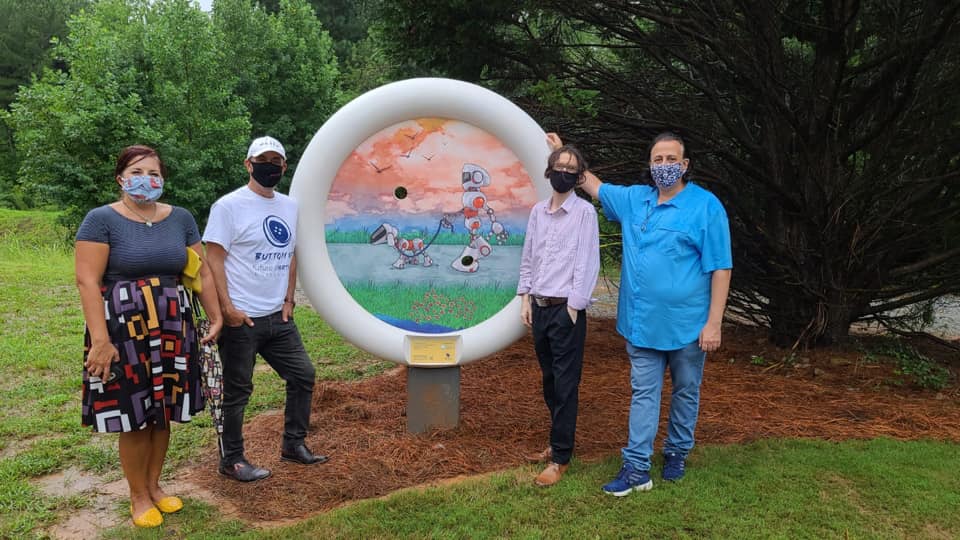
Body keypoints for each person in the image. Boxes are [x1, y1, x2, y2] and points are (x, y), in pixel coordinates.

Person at [547, 131, 732, 495]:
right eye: (658, 159)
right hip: (641, 323)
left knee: (685, 390)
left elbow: (721, 268)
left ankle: (677, 451)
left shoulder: (705, 207)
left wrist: (714, 323)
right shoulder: (635, 200)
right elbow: (593, 185)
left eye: (671, 159)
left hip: (688, 325)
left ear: (685, 165)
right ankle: (636, 467)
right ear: (650, 164)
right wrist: (562, 153)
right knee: (643, 394)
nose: (664, 166)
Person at [76, 145, 223, 528]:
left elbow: (200, 272)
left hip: (172, 326)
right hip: (124, 331)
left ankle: (155, 486)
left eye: (154, 173)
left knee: (162, 412)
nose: (147, 179)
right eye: (137, 172)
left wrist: (215, 315)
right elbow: (87, 281)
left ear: (163, 179)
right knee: (135, 415)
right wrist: (100, 341)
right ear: (121, 178)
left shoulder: (181, 219)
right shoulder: (100, 220)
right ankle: (137, 495)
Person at [204, 136, 327, 482]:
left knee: (302, 375)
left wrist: (288, 300)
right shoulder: (228, 207)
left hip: (278, 317)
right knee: (238, 391)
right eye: (262, 160)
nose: (269, 167)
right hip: (242, 319)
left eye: (276, 161)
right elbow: (213, 260)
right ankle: (232, 459)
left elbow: (291, 254)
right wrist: (227, 309)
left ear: (284, 167)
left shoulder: (289, 206)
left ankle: (293, 444)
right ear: (248, 164)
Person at [517, 145, 600, 487]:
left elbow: (587, 261)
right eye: (559, 166)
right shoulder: (538, 212)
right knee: (550, 380)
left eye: (571, 168)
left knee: (566, 385)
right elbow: (529, 255)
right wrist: (525, 297)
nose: (563, 173)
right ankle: (556, 441)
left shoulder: (584, 213)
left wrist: (574, 307)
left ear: (579, 177)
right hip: (539, 307)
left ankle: (561, 458)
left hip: (566, 310)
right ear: (549, 171)